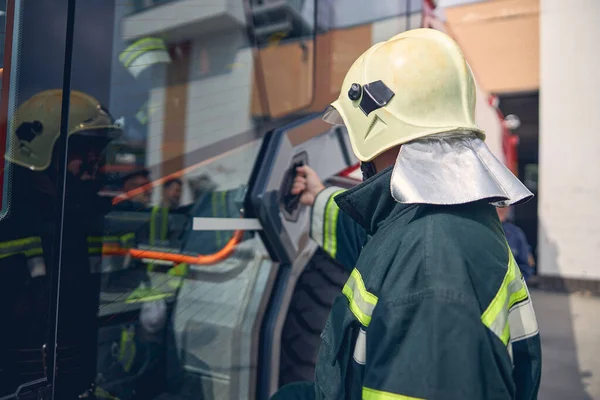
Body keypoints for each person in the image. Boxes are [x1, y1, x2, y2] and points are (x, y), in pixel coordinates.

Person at [276, 28, 542, 400]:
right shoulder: (445, 218)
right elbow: (384, 244)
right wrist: (318, 197)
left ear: (377, 130)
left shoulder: (430, 277)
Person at [0, 89, 123, 399]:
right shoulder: (8, 222)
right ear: (38, 151)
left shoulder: (97, 221)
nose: (95, 161)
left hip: (85, 381)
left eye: (99, 148)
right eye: (82, 148)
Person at [497, 206, 536, 282]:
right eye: (498, 205)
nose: (502, 209)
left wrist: (515, 284)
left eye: (505, 205)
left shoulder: (516, 233)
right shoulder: (480, 231)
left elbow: (526, 266)